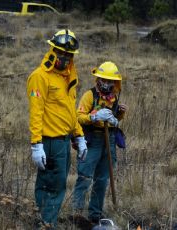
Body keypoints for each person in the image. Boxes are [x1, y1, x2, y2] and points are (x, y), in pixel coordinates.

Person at [26, 29, 88, 228]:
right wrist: (36, 144)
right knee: (53, 185)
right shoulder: (40, 77)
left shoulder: (66, 77)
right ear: (52, 50)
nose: (64, 57)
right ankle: (47, 223)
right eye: (61, 52)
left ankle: (45, 221)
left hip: (63, 141)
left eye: (68, 55)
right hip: (49, 142)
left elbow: (69, 110)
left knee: (55, 184)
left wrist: (79, 136)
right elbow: (36, 112)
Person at [72, 61, 127, 224]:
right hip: (93, 139)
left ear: (115, 82)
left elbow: (114, 119)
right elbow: (78, 117)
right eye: (104, 80)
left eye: (110, 81)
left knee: (102, 179)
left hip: (109, 139)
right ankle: (77, 213)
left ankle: (95, 214)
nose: (107, 84)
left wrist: (120, 115)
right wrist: (94, 117)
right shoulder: (90, 95)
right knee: (85, 176)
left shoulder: (115, 97)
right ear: (98, 79)